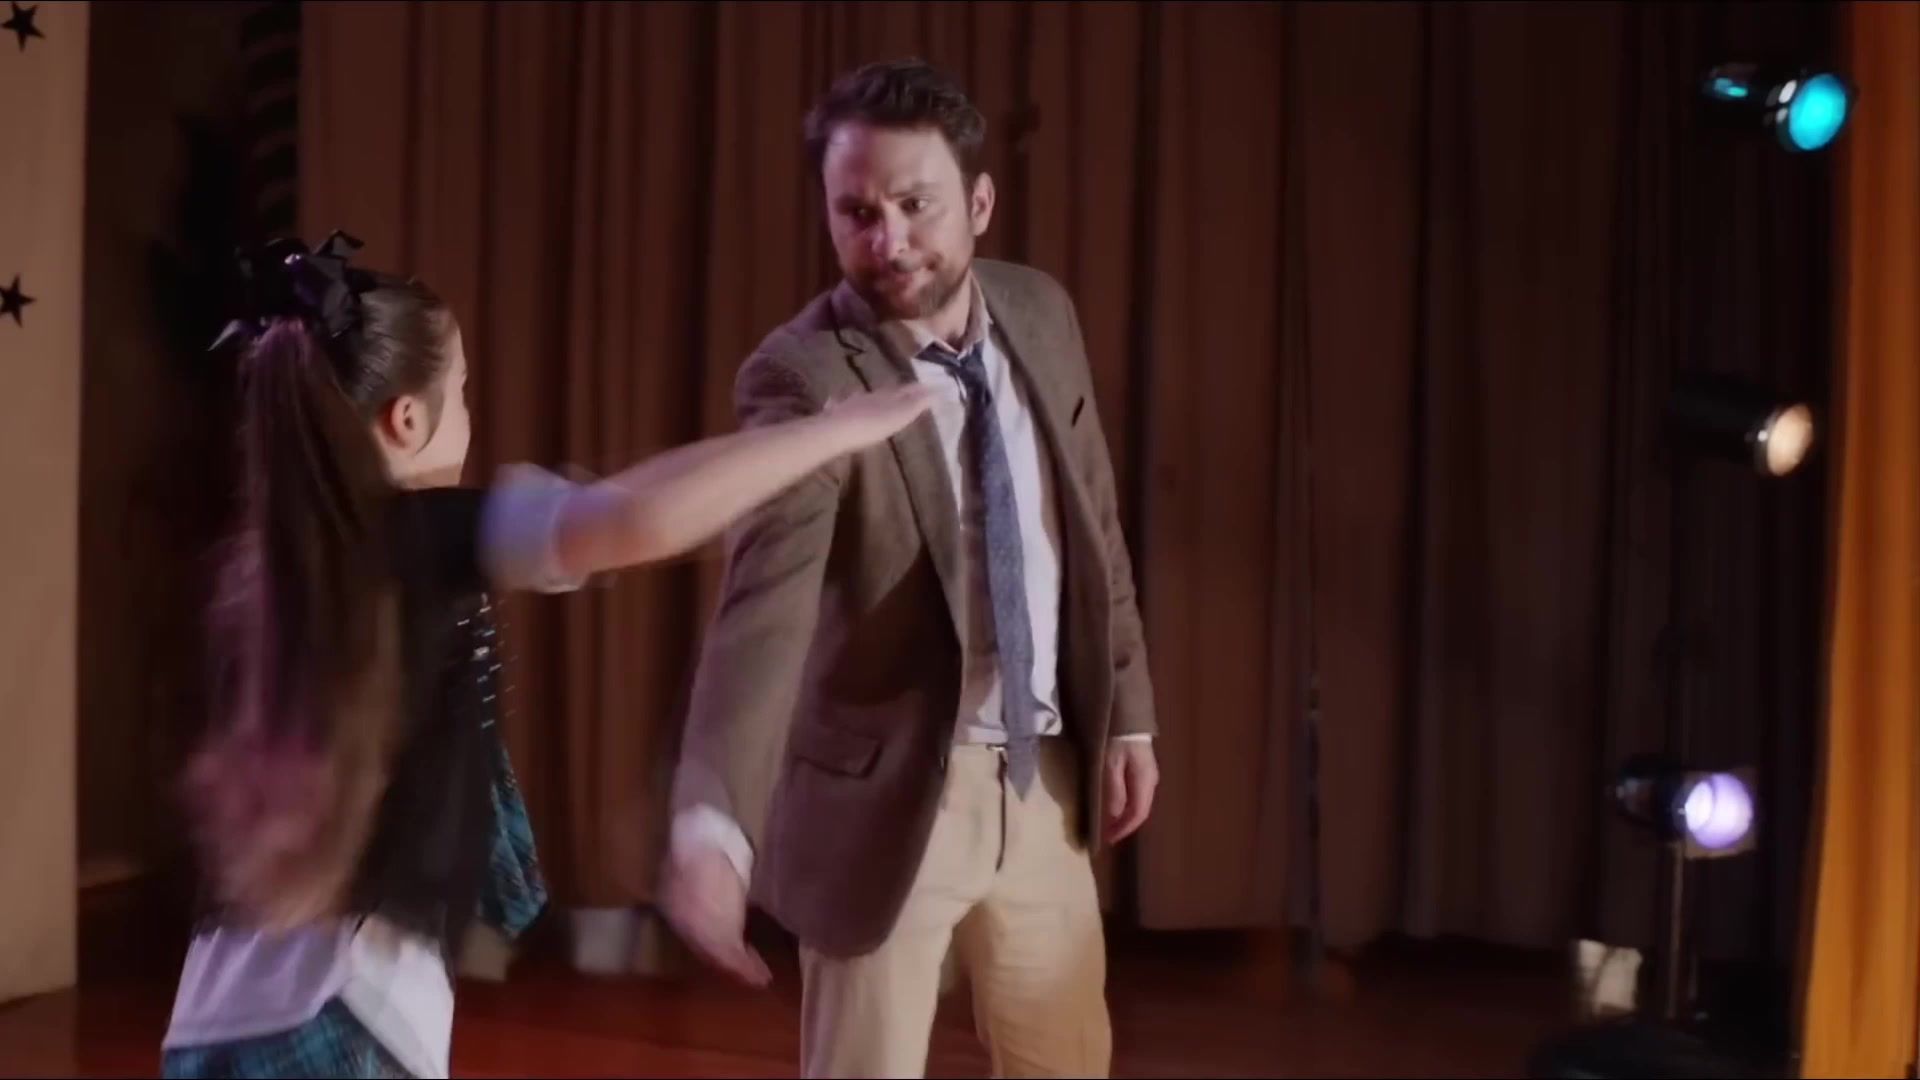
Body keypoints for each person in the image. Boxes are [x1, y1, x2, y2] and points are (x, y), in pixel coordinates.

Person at [157, 231, 933, 1080]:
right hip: (343, 1013)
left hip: (211, 1017)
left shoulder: (260, 573)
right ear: (407, 421)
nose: (468, 413)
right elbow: (632, 520)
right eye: (461, 392)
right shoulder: (415, 535)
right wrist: (834, 434)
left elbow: (621, 519)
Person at [659, 58, 1161, 1079]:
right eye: (856, 212)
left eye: (914, 205)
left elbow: (1091, 522)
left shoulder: (1041, 313)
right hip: (888, 804)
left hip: (1044, 777)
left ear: (978, 202)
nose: (886, 240)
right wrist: (712, 824)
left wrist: (1130, 711)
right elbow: (762, 612)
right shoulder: (802, 376)